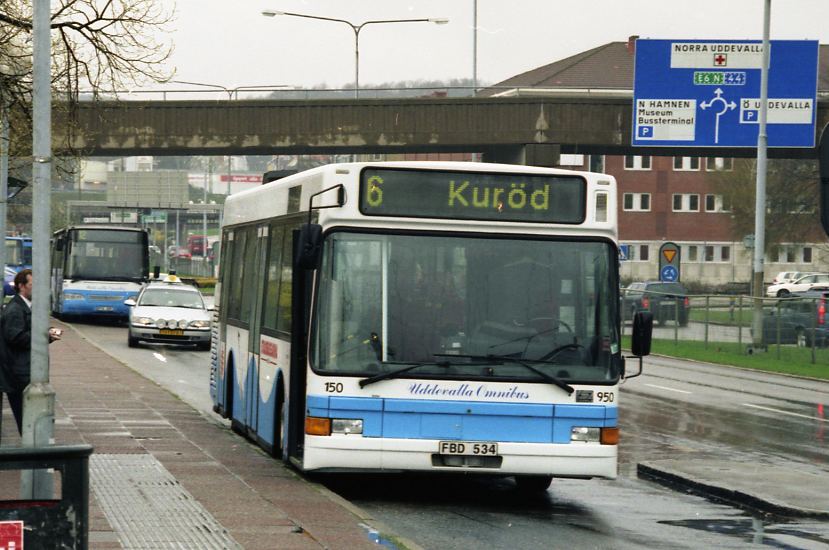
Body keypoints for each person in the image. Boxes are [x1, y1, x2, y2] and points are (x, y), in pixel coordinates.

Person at [0, 269, 60, 434]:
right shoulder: (15, 310)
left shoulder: (25, 307)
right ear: (21, 286)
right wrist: (45, 336)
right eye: (33, 285)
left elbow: (28, 330)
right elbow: (15, 337)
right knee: (27, 421)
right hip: (19, 375)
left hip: (23, 371)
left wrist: (47, 332)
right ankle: (31, 454)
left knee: (29, 420)